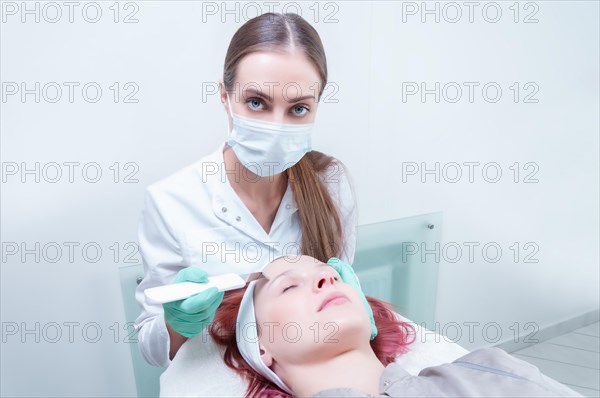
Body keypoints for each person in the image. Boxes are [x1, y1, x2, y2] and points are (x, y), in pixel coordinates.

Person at [134, 12, 358, 368]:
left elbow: (338, 306)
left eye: (298, 108)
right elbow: (151, 347)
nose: (276, 126)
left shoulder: (330, 181)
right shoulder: (171, 201)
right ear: (225, 97)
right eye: (257, 102)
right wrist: (176, 324)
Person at [209, 256, 584, 397]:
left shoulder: (488, 372)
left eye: (328, 274)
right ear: (262, 348)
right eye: (289, 285)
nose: (326, 279)